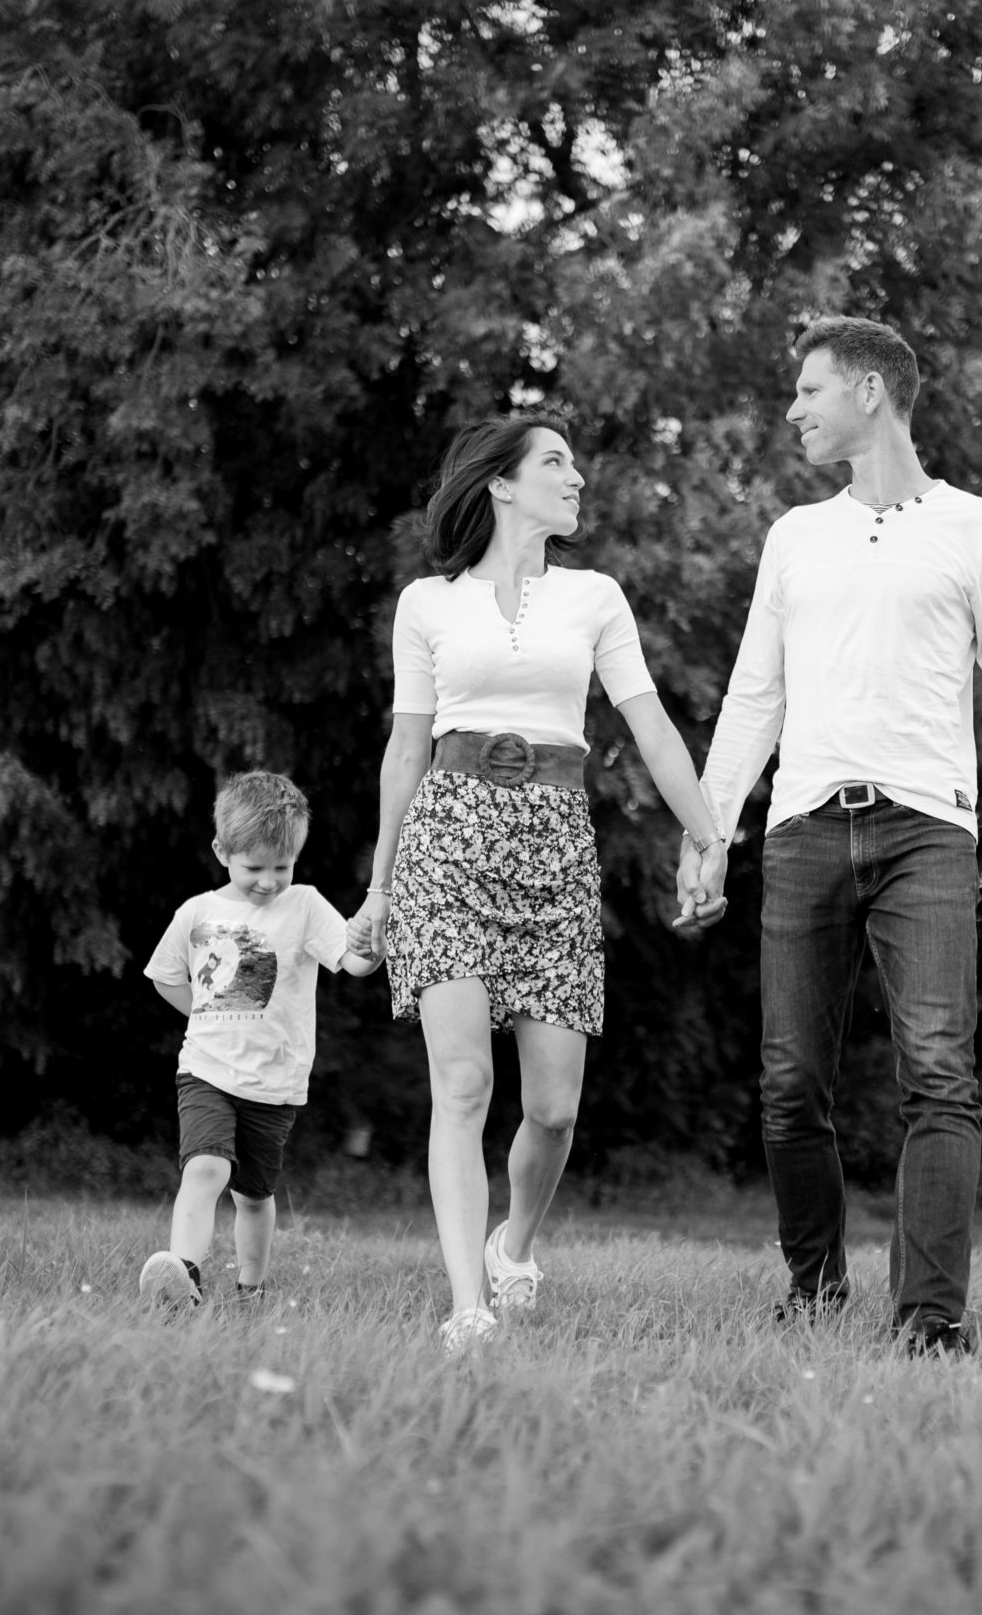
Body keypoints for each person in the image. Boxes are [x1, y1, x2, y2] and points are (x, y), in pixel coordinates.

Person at [692, 316, 982, 1355]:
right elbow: (752, 697)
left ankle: (929, 1318)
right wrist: (709, 830)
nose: (794, 410)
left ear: (869, 391)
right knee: (789, 1081)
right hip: (803, 829)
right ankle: (815, 1285)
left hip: (928, 832)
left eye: (809, 390)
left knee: (938, 1074)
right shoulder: (795, 536)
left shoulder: (977, 532)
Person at [352, 415, 730, 1354]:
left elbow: (648, 725)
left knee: (554, 1108)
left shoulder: (595, 597)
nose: (576, 476)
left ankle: (513, 1247)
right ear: (502, 484)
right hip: (448, 833)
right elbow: (405, 749)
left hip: (554, 842)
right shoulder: (426, 604)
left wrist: (708, 834)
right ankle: (467, 1305)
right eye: (554, 462)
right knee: (465, 1079)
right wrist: (380, 886)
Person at [139, 771, 382, 1308]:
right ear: (222, 851)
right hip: (205, 1070)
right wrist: (202, 1015)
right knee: (205, 1168)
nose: (270, 881)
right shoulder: (197, 913)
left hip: (275, 1082)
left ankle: (250, 1287)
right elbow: (164, 975)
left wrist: (372, 943)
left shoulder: (306, 906)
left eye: (282, 866)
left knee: (253, 1195)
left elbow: (354, 962)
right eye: (255, 867)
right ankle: (184, 1278)